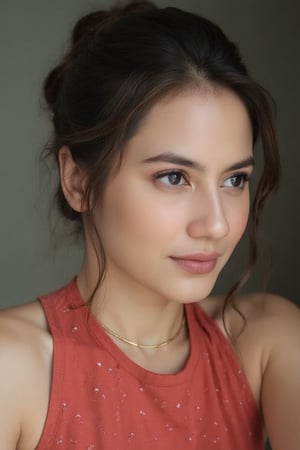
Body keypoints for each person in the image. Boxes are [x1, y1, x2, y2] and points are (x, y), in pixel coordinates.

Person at [0, 1, 299, 449]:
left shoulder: (265, 343)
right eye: (174, 177)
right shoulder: (14, 368)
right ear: (77, 180)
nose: (216, 224)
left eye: (234, 179)